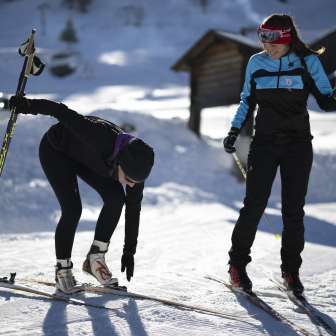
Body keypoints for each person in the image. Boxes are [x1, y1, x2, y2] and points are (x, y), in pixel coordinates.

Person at [223, 14, 336, 294]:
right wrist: (234, 131)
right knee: (254, 206)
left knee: (293, 211)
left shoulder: (308, 62)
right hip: (264, 144)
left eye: (273, 40)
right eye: (263, 38)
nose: (267, 45)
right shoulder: (256, 63)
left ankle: (291, 271)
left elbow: (326, 101)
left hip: (298, 145)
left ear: (287, 38)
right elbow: (247, 101)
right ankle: (237, 265)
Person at [9, 96, 155, 293]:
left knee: (116, 198)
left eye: (135, 182)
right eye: (128, 179)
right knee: (72, 210)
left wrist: (129, 251)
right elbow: (60, 111)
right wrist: (27, 106)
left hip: (88, 159)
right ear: (120, 163)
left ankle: (94, 260)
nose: (131, 185)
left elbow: (133, 209)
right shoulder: (98, 136)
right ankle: (63, 271)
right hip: (56, 150)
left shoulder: (137, 167)